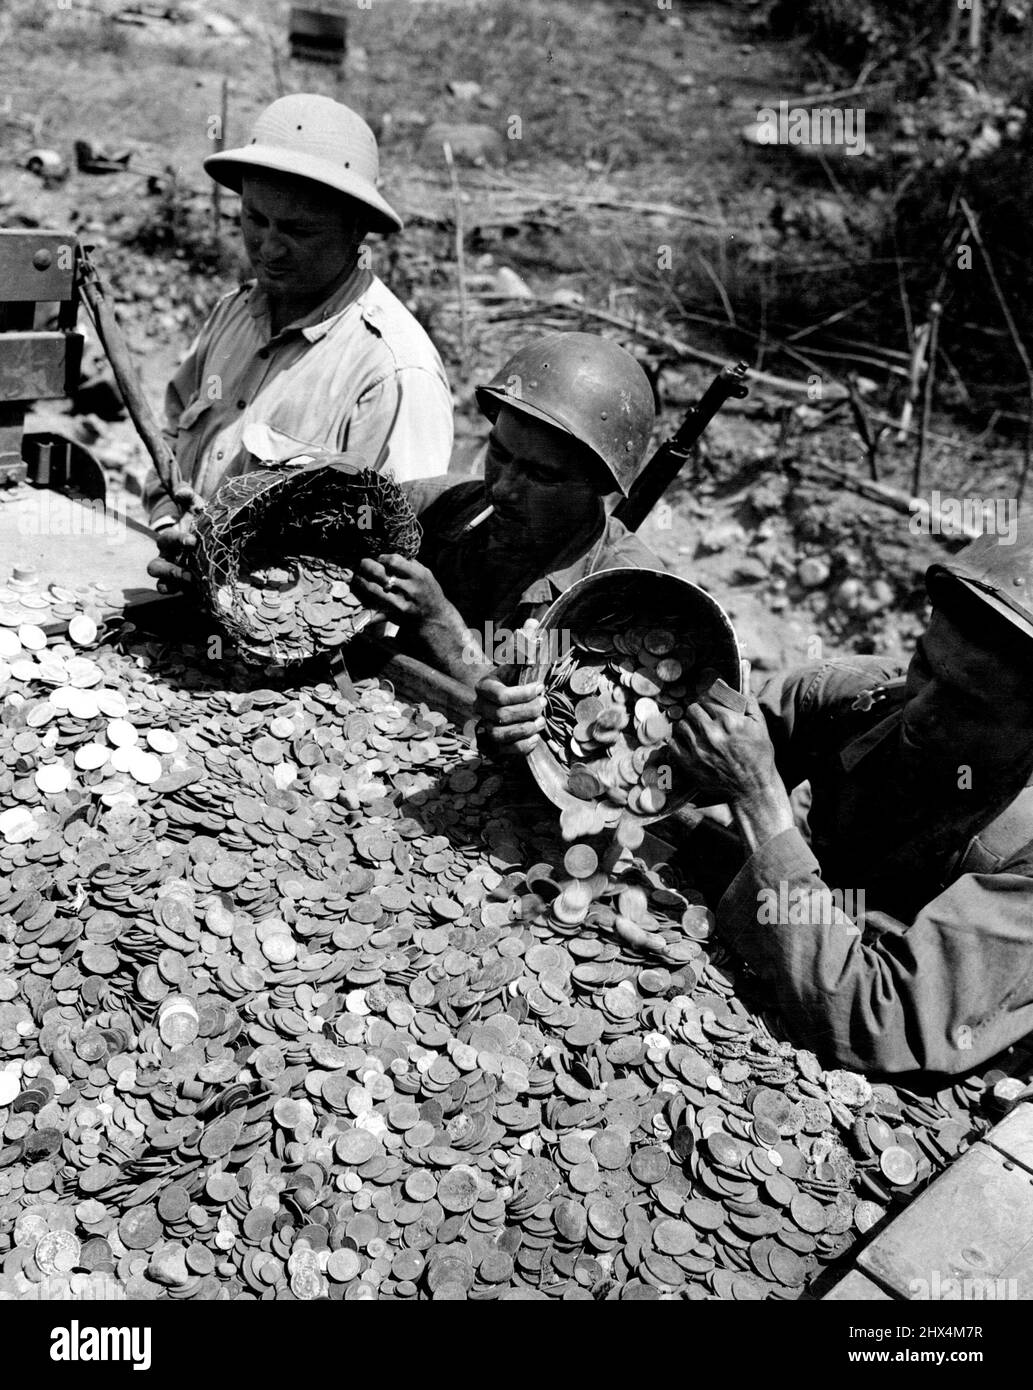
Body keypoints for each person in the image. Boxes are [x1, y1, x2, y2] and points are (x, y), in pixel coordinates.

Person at [482, 515, 1033, 1077]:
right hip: (810, 933)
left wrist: (759, 797)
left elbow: (878, 1022)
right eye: (924, 665)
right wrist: (532, 733)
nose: (917, 709)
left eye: (967, 702)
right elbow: (647, 777)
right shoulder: (854, 698)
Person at [147, 93, 453, 592]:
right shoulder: (235, 312)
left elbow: (392, 567)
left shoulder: (393, 372)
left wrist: (256, 586)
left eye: (297, 230)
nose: (267, 248)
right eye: (254, 219)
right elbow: (170, 439)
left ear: (356, 229)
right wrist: (170, 525)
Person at [354, 332, 664, 689]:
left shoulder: (626, 595)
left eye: (541, 475)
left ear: (601, 485)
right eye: (499, 455)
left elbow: (553, 733)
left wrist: (439, 625)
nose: (502, 488)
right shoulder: (436, 505)